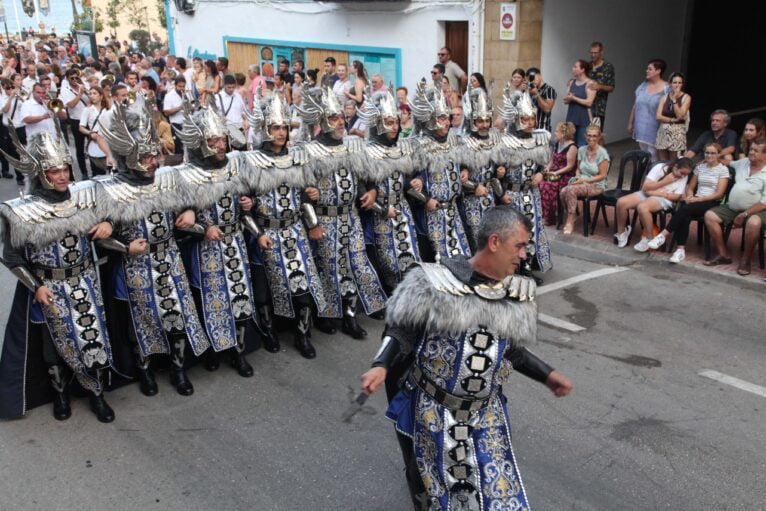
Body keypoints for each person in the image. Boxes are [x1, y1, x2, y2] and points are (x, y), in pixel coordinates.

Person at [360, 206, 572, 510]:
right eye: (520, 245)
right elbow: (401, 331)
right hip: (433, 413)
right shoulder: (431, 282)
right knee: (435, 491)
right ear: (495, 242)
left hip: (487, 415)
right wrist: (381, 365)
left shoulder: (516, 294)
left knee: (499, 497)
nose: (524, 254)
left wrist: (547, 375)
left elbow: (511, 350)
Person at [95, 93, 210, 397]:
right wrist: (120, 243)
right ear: (130, 157)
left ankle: (179, 370)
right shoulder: (112, 190)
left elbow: (193, 205)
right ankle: (145, 373)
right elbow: (100, 237)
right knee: (140, 322)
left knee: (177, 318)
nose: (153, 161)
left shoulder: (169, 180)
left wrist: (190, 212)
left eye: (155, 155)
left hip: (169, 259)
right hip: (135, 266)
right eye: (147, 157)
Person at [0, 129, 116, 422]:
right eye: (54, 171)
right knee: (52, 349)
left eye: (64, 169)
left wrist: (108, 226)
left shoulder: (86, 196)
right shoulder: (22, 211)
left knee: (93, 340)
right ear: (42, 174)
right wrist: (35, 287)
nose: (62, 176)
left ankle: (96, 394)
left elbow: (114, 213)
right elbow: (12, 257)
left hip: (85, 283)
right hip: (49, 287)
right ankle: (60, 395)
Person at [244, 91, 331, 358]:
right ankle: (269, 332)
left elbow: (305, 195)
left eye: (284, 127)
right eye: (275, 127)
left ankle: (303, 335)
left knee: (302, 285)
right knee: (264, 290)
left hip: (294, 231)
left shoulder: (297, 157)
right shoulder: (251, 162)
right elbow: (243, 209)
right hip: (265, 233)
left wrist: (313, 221)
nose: (281, 132)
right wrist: (257, 233)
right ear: (265, 129)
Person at [295, 86, 387, 339]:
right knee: (329, 267)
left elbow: (367, 177)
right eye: (333, 118)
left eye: (341, 118)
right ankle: (326, 315)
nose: (340, 123)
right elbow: (300, 192)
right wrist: (312, 224)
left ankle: (349, 316)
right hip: (324, 219)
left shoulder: (352, 146)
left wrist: (372, 192)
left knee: (357, 264)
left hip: (351, 217)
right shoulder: (309, 151)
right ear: (323, 121)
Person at [174, 101, 257, 376]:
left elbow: (248, 195)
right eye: (213, 140)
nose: (220, 144)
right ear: (201, 142)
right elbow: (180, 222)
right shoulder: (188, 175)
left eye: (222, 138)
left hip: (235, 243)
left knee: (239, 296)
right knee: (209, 299)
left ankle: (239, 352)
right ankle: (214, 350)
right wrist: (202, 228)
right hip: (206, 249)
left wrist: (248, 202)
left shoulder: (235, 165)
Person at [357, 88, 421, 291]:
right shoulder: (366, 154)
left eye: (396, 122)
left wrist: (417, 183)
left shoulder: (402, 149)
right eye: (389, 123)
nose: (395, 127)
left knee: (411, 259)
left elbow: (408, 181)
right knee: (389, 263)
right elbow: (363, 195)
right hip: (380, 216)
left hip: (403, 212)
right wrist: (384, 211)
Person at [408, 79, 471, 260]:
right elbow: (409, 182)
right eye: (441, 118)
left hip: (453, 211)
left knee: (460, 256)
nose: (446, 122)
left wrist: (465, 169)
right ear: (430, 120)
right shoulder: (417, 146)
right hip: (431, 213)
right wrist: (425, 199)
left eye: (447, 118)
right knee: (437, 260)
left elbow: (463, 163)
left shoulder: (454, 141)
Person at [497, 90, 553, 279]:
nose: (530, 123)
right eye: (526, 119)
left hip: (531, 194)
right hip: (512, 196)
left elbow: (543, 165)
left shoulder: (538, 140)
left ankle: (527, 266)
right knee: (512, 233)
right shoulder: (504, 143)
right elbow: (493, 173)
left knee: (531, 231)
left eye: (532, 118)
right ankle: (511, 268)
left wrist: (540, 174)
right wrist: (500, 189)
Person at [646, 143, 730, 258]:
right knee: (685, 213)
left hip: (712, 202)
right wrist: (690, 196)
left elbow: (719, 194)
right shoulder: (700, 168)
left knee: (685, 209)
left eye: (713, 153)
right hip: (696, 201)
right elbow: (690, 187)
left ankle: (663, 235)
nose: (709, 155)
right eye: (707, 152)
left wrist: (699, 199)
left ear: (719, 154)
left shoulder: (723, 170)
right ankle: (680, 250)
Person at [703, 140, 766, 275]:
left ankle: (746, 260)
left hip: (758, 210)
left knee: (754, 223)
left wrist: (744, 214)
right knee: (710, 216)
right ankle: (723, 254)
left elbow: (764, 203)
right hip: (733, 207)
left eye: (756, 150)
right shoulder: (743, 163)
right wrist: (712, 157)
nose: (751, 152)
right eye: (751, 149)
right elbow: (727, 162)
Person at [456, 85, 506, 251]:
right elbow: (456, 177)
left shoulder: (494, 140)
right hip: (470, 200)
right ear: (473, 122)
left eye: (487, 120)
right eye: (480, 121)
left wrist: (499, 171)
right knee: (477, 238)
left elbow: (495, 169)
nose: (484, 125)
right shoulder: (463, 143)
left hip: (489, 196)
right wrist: (474, 186)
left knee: (493, 236)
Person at [614, 158, 694, 252]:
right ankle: (622, 232)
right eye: (682, 173)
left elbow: (677, 196)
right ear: (675, 167)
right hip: (648, 193)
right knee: (621, 202)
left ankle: (649, 237)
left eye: (686, 174)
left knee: (642, 207)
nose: (683, 176)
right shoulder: (659, 168)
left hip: (665, 198)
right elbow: (645, 187)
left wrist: (657, 193)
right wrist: (665, 181)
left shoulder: (684, 177)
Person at [560, 123, 610, 235]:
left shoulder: (602, 153)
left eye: (594, 136)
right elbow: (578, 169)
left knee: (570, 190)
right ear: (585, 136)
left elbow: (602, 175)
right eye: (589, 135)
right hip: (582, 181)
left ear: (599, 137)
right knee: (563, 191)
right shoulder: (581, 150)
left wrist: (585, 181)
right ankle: (571, 214)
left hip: (597, 185)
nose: (591, 138)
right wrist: (578, 176)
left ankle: (570, 220)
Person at [628, 59, 669, 161]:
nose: (647, 71)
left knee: (654, 154)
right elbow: (635, 105)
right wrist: (630, 123)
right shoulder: (643, 86)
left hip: (656, 128)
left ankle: (652, 175)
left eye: (650, 69)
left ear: (658, 71)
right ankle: (646, 174)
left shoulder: (667, 88)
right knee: (644, 153)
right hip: (640, 127)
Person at [539, 121, 578, 226]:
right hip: (555, 172)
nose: (555, 133)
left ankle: (551, 217)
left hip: (566, 175)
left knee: (548, 186)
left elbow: (570, 166)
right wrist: (548, 168)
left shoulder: (572, 147)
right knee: (540, 183)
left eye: (557, 131)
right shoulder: (558, 143)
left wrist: (556, 173)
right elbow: (552, 159)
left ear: (563, 134)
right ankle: (547, 214)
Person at [655, 72, 692, 161]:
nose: (677, 85)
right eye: (675, 82)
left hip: (677, 133)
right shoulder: (664, 97)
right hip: (663, 132)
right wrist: (672, 119)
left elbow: (680, 115)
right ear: (670, 84)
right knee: (663, 161)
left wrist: (675, 100)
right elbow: (658, 116)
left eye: (680, 83)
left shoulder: (686, 97)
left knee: (674, 161)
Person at [78, 85, 113, 175]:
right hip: (95, 141)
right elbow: (81, 127)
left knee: (112, 170)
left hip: (108, 140)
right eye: (90, 94)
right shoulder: (87, 110)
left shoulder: (107, 109)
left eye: (94, 93)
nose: (92, 95)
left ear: (101, 96)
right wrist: (90, 133)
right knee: (98, 173)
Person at [563, 60, 595, 147]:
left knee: (582, 145)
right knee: (570, 144)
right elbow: (566, 101)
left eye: (575, 67)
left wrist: (573, 98)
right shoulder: (571, 82)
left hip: (584, 120)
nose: (573, 69)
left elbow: (589, 102)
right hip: (571, 118)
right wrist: (568, 98)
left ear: (582, 70)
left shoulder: (590, 83)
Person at [587, 41, 615, 128]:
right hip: (585, 107)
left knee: (596, 134)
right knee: (585, 134)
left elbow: (611, 88)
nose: (593, 55)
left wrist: (599, 87)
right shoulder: (587, 66)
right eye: (591, 52)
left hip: (598, 108)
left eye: (595, 53)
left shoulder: (608, 67)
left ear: (601, 53)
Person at [527, 67, 556, 133]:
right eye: (530, 80)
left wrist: (537, 94)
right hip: (530, 128)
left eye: (533, 78)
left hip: (542, 128)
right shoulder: (531, 90)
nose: (532, 81)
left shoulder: (549, 90)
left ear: (539, 75)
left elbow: (547, 109)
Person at [162, 75, 186, 155]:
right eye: (180, 86)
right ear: (175, 85)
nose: (182, 88)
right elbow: (166, 112)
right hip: (176, 125)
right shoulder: (169, 96)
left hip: (186, 123)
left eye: (183, 86)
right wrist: (180, 108)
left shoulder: (186, 93)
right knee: (179, 147)